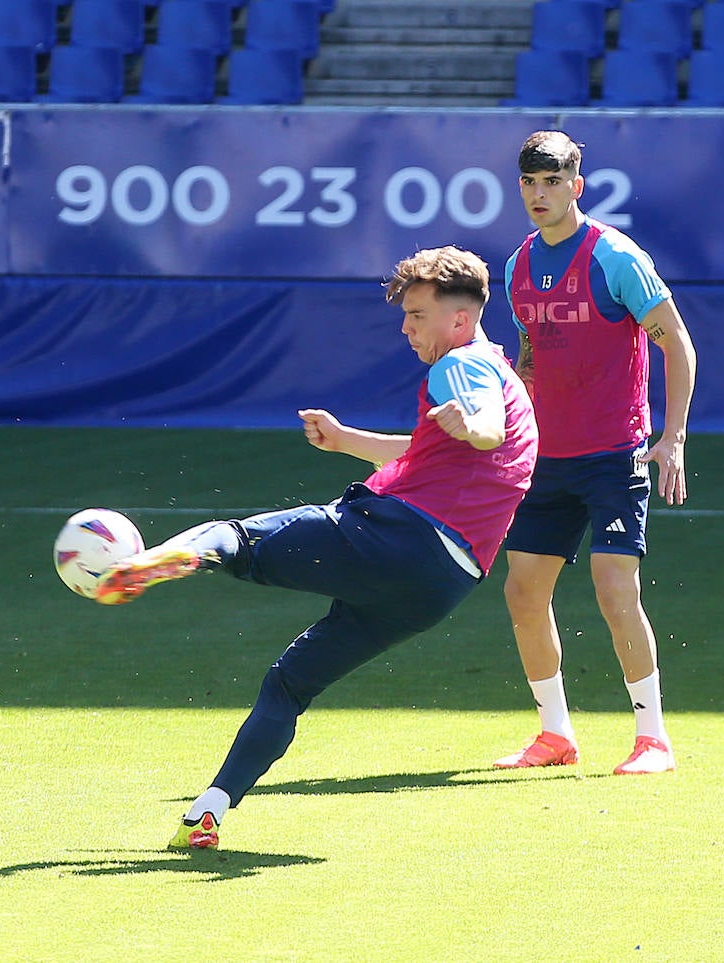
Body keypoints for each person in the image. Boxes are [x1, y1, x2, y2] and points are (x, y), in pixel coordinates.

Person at [94, 245, 538, 850]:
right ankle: (210, 809)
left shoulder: (461, 366)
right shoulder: (505, 378)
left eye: (416, 314)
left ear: (459, 320)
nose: (405, 328)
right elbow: (433, 451)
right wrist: (344, 439)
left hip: (395, 536)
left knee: (238, 539)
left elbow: (481, 424)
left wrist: (476, 427)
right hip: (440, 585)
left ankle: (159, 561)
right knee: (290, 683)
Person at [492, 130, 696, 776]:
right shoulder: (517, 266)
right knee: (523, 592)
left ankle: (653, 738)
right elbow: (532, 354)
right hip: (547, 459)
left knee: (614, 590)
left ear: (577, 186)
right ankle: (555, 734)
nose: (539, 194)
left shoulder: (615, 259)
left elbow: (678, 344)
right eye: (529, 183)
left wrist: (673, 438)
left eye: (552, 182)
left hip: (614, 454)